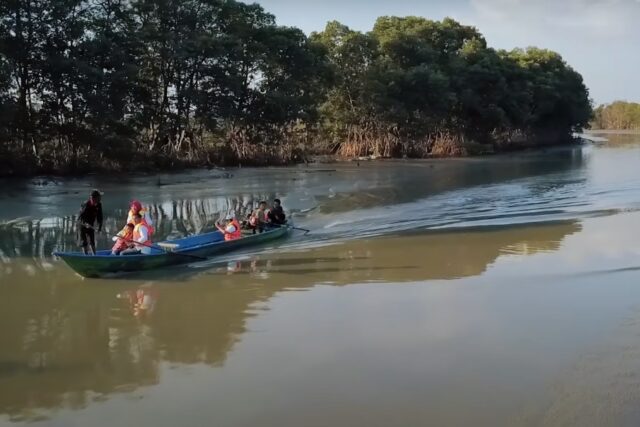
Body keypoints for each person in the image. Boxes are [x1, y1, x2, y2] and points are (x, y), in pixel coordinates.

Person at [77, 189, 103, 255]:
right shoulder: (85, 204)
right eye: (98, 198)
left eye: (100, 197)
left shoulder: (99, 205)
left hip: (91, 224)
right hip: (82, 224)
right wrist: (85, 223)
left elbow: (100, 217)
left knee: (92, 241)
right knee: (84, 242)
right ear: (93, 198)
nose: (100, 199)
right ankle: (86, 256)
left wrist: (99, 228)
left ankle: (94, 256)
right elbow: (80, 218)